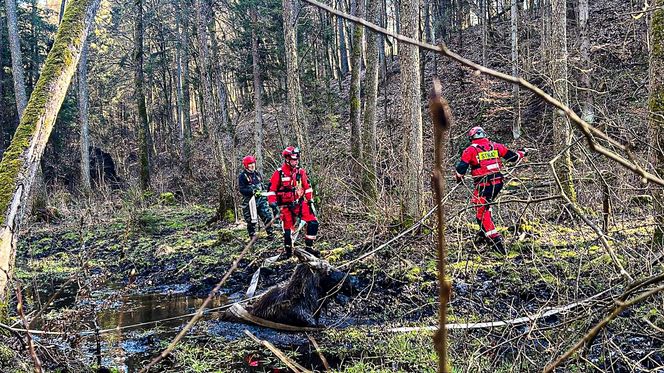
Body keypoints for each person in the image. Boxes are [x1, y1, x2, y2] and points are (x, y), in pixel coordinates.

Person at [455, 126, 526, 254]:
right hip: (498, 183)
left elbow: (461, 170)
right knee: (484, 205)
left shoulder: (470, 150)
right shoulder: (496, 146)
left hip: (484, 185)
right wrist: (522, 152)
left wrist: (459, 180)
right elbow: (513, 157)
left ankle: (496, 242)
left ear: (471, 138)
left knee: (481, 212)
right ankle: (483, 234)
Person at [266, 146, 319, 259]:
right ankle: (289, 253)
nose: (295, 162)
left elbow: (307, 187)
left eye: (296, 159)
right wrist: (272, 202)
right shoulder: (279, 173)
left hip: (299, 203)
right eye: (293, 160)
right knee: (288, 231)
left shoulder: (301, 172)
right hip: (285, 206)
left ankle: (309, 248)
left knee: (313, 222)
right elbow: (271, 190)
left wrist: (310, 200)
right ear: (287, 159)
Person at [238, 155, 274, 241]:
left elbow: (262, 185)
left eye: (253, 163)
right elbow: (242, 189)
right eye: (250, 164)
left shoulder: (257, 174)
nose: (252, 165)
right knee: (251, 220)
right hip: (249, 201)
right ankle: (252, 236)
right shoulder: (242, 176)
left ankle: (270, 234)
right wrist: (252, 192)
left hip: (261, 200)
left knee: (267, 216)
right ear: (246, 165)